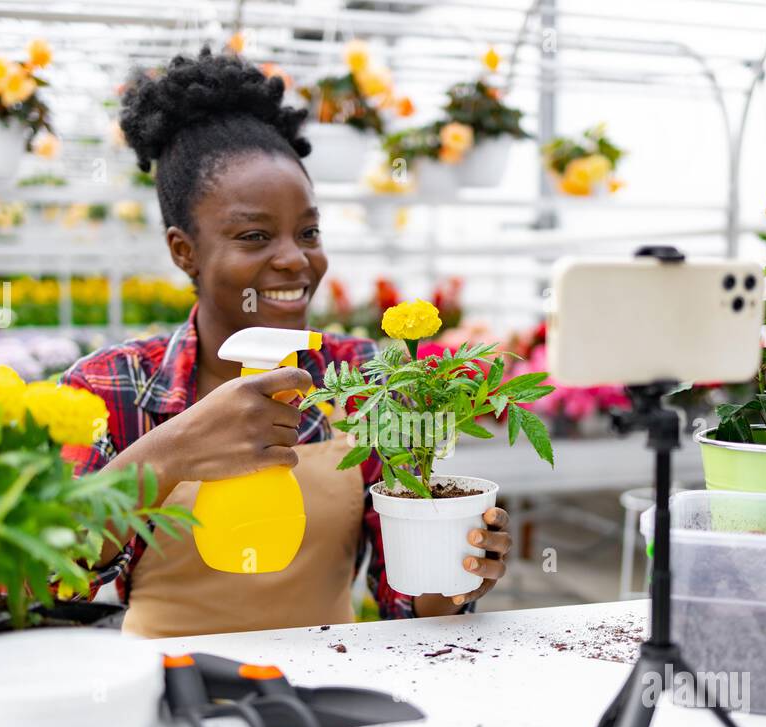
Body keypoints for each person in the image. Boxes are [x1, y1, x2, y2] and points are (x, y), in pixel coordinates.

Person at [61, 49, 511, 638]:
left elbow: (406, 605)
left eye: (309, 232)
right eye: (254, 235)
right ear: (184, 251)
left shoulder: (368, 378)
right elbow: (49, 572)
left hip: (332, 680)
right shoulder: (112, 386)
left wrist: (454, 574)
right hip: (167, 683)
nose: (295, 259)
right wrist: (167, 454)